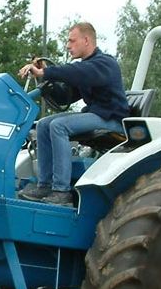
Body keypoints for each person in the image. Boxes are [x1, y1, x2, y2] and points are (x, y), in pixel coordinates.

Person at [17, 22, 129, 206]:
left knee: (58, 126)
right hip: (96, 116)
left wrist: (46, 71)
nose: (68, 45)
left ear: (86, 40)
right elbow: (64, 97)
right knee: (44, 124)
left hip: (111, 120)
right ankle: (44, 185)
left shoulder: (104, 64)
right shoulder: (85, 69)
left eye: (72, 41)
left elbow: (76, 72)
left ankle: (61, 190)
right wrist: (45, 82)